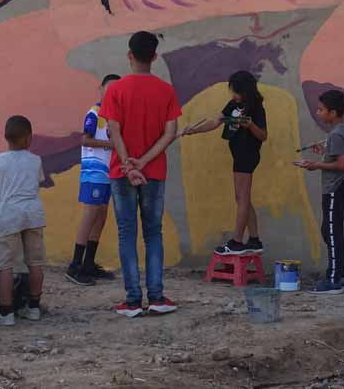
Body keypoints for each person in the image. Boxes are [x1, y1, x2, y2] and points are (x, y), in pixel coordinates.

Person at [101, 31, 181, 318]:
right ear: (155, 56)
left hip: (120, 171)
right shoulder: (166, 90)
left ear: (129, 55)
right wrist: (143, 163)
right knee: (153, 233)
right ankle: (156, 296)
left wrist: (127, 164)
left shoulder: (115, 90)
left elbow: (114, 130)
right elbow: (170, 134)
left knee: (127, 233)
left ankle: (133, 300)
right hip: (154, 171)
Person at [179, 70, 267, 256]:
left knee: (241, 198)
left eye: (237, 92)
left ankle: (237, 241)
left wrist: (250, 125)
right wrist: (194, 130)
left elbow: (263, 135)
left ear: (246, 91)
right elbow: (214, 122)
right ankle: (254, 240)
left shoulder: (256, 108)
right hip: (238, 154)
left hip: (247, 154)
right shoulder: (233, 104)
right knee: (243, 198)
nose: (233, 95)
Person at [0, 116, 47, 327]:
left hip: (8, 215)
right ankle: (34, 308)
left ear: (5, 137)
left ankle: (5, 312)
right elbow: (36, 183)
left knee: (5, 265)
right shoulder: (36, 160)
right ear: (29, 138)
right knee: (35, 262)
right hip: (33, 214)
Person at [296, 90, 344, 294]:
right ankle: (343, 276)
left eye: (321, 110)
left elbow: (342, 164)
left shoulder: (336, 134)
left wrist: (315, 165)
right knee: (330, 231)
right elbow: (338, 158)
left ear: (333, 112)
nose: (318, 113)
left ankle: (333, 280)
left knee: (331, 233)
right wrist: (323, 153)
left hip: (336, 189)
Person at [67, 74, 121, 286]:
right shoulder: (94, 113)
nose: (112, 93)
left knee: (101, 215)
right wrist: (110, 145)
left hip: (108, 172)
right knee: (90, 215)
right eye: (109, 88)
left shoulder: (116, 116)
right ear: (101, 89)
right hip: (94, 171)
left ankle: (89, 264)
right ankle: (75, 266)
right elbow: (85, 139)